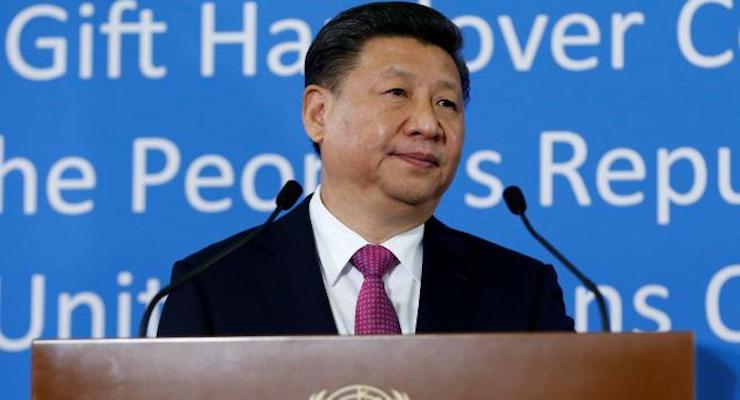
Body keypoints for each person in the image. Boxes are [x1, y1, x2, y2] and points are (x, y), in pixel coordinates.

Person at [158, 2, 574, 337]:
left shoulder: (521, 292)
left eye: (446, 103)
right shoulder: (211, 285)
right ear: (318, 113)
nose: (428, 125)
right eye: (397, 93)